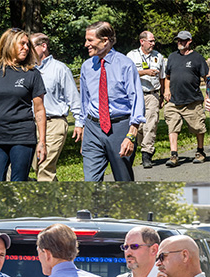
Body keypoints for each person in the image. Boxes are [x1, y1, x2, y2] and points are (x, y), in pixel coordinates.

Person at [0, 28, 46, 182]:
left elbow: (39, 110)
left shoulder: (32, 74)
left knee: (18, 181)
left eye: (28, 45)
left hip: (23, 137)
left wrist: (42, 142)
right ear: (8, 44)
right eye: (22, 44)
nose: (26, 47)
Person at [78, 21, 145, 181]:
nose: (86, 44)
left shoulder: (125, 65)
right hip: (93, 128)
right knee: (91, 181)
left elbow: (136, 100)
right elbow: (84, 102)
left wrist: (131, 136)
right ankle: (96, 207)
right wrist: (83, 128)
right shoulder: (87, 67)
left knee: (123, 181)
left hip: (120, 128)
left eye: (90, 40)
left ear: (105, 40)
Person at [30, 33, 82, 182]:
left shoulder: (60, 69)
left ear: (43, 47)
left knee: (44, 167)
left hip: (54, 123)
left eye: (31, 46)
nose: (27, 50)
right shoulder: (28, 70)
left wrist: (79, 123)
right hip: (31, 124)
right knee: (34, 167)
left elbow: (73, 97)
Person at [163, 31, 208, 167]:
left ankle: (200, 152)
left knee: (198, 127)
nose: (180, 43)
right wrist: (166, 89)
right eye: (178, 40)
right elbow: (168, 77)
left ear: (189, 41)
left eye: (183, 40)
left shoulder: (197, 58)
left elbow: (207, 78)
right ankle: (174, 155)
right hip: (174, 101)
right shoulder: (172, 57)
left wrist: (208, 95)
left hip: (192, 100)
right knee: (172, 126)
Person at [126, 31, 166, 169]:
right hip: (136, 95)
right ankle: (140, 146)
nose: (153, 44)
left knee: (151, 123)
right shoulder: (131, 56)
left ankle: (146, 154)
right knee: (140, 125)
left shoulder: (158, 56)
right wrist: (145, 72)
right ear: (142, 41)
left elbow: (162, 77)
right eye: (151, 41)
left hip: (152, 94)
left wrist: (163, 94)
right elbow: (126, 73)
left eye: (154, 41)